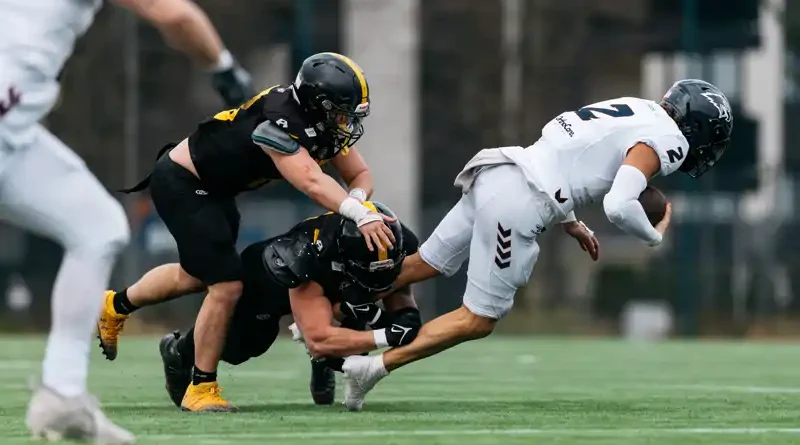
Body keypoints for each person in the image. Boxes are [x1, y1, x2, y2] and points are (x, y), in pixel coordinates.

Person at [339, 79, 734, 411]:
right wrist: (653, 236)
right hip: (520, 202)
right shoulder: (670, 139)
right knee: (477, 318)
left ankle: (329, 316)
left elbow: (568, 155)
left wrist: (571, 220)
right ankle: (369, 368)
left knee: (423, 263)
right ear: (697, 126)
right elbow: (618, 204)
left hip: (501, 170)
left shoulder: (637, 106)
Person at [0, 0, 253, 442]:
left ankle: (63, 393)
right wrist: (226, 72)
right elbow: (175, 15)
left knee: (96, 228)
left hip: (14, 132)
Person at [97, 54, 395, 413]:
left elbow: (360, 175)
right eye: (341, 112)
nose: (346, 122)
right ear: (319, 104)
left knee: (196, 275)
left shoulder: (320, 121)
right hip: (183, 182)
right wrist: (359, 215)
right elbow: (311, 181)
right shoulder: (279, 121)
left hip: (215, 189)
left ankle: (115, 304)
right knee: (225, 285)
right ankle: (201, 387)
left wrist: (358, 202)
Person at [156, 201, 421, 408]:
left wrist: (405, 315)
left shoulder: (399, 242)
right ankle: (179, 350)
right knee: (243, 348)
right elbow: (318, 337)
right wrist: (387, 334)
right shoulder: (309, 255)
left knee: (354, 334)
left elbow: (398, 290)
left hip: (333, 286)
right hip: (271, 286)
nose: (378, 280)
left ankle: (324, 363)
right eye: (368, 271)